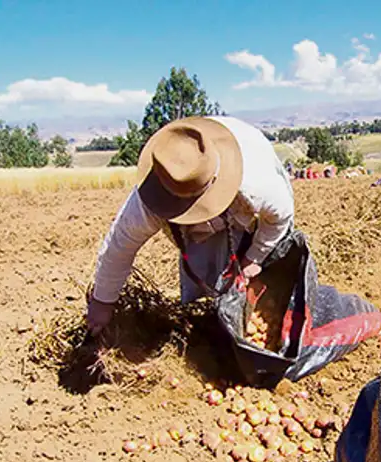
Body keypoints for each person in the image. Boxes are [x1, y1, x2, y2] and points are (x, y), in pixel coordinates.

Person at [85, 116, 294, 335]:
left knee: (265, 262)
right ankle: (211, 319)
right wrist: (102, 302)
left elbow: (279, 218)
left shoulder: (256, 184)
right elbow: (118, 248)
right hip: (202, 218)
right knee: (204, 265)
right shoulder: (151, 195)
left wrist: (254, 257)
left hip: (248, 191)